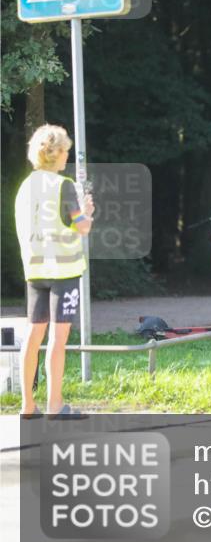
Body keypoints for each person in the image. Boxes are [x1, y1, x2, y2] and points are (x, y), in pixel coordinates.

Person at [14, 124, 94, 418]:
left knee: (33, 337)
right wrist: (87, 211)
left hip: (34, 271)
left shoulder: (25, 187)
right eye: (66, 151)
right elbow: (81, 226)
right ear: (57, 153)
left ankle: (27, 406)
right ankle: (55, 404)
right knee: (57, 341)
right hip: (64, 272)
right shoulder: (65, 186)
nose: (67, 157)